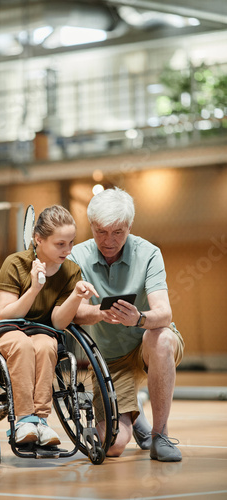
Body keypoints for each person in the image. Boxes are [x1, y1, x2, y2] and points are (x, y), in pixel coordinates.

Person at [69, 187, 185, 462]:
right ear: (91, 226)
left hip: (147, 344)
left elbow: (164, 313)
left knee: (162, 337)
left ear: (129, 227)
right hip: (110, 360)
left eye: (118, 232)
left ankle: (160, 435)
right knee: (113, 447)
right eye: (101, 231)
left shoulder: (149, 253)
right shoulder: (76, 256)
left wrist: (138, 319)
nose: (108, 240)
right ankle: (134, 417)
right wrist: (98, 313)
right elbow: (72, 314)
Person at [0, 205, 98, 447]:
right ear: (38, 239)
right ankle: (23, 420)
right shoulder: (15, 263)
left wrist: (76, 296)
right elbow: (6, 314)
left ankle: (40, 421)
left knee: (46, 345)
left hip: (38, 331)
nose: (68, 250)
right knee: (22, 344)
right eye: (60, 244)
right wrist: (34, 289)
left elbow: (58, 322)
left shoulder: (71, 270)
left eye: (71, 243)